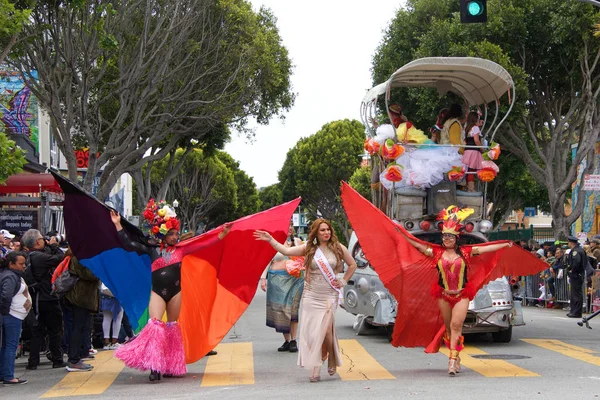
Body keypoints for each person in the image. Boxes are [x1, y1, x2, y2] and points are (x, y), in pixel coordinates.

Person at [339, 183, 549, 377]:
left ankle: (452, 359)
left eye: (450, 237)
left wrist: (504, 246)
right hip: (442, 295)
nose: (446, 239)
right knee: (448, 328)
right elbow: (415, 245)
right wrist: (398, 233)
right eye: (445, 237)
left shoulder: (466, 253)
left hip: (462, 295)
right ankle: (454, 352)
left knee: (457, 325)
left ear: (456, 238)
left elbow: (486, 248)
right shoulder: (436, 253)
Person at [111, 203, 232, 382]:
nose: (175, 237)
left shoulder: (182, 249)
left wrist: (222, 234)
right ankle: (154, 366)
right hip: (158, 293)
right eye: (172, 234)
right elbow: (128, 243)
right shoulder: (151, 249)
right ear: (163, 235)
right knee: (155, 327)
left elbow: (204, 244)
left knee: (172, 329)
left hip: (176, 293)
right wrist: (117, 224)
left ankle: (169, 365)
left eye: (176, 234)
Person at [254, 218, 358, 382]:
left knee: (326, 331)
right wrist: (270, 239)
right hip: (311, 295)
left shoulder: (338, 248)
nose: (326, 233)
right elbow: (286, 251)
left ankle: (330, 358)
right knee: (313, 333)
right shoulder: (309, 249)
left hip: (329, 295)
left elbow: (352, 265)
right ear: (316, 232)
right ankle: (315, 369)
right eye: (322, 230)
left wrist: (344, 280)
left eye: (328, 230)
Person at [20, 229, 66, 370]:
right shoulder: (39, 257)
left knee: (37, 331)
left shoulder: (29, 256)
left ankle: (33, 362)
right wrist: (54, 246)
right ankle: (57, 359)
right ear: (38, 242)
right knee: (54, 330)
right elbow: (60, 258)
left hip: (38, 299)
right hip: (47, 299)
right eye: (42, 239)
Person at [260, 223, 304, 352]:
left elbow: (305, 259)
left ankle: (294, 340)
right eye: (286, 226)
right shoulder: (273, 243)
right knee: (281, 310)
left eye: (291, 225)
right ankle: (287, 340)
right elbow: (266, 262)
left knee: (293, 309)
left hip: (295, 280)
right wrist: (264, 279)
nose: (289, 228)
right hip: (276, 281)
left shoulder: (298, 242)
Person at [63, 254, 100, 372]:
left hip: (82, 298)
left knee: (81, 327)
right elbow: (89, 275)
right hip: (80, 298)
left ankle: (76, 357)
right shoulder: (79, 257)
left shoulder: (79, 256)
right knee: (78, 327)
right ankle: (73, 360)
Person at [0, 251, 30, 384]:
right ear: (11, 264)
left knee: (7, 346)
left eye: (24, 263)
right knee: (11, 346)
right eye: (21, 264)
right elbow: (6, 296)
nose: (23, 266)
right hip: (12, 316)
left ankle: (5, 374)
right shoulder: (10, 276)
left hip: (13, 315)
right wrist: (6, 311)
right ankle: (8, 376)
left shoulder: (12, 275)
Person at [461, 112, 484, 192]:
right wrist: (482, 148)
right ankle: (471, 188)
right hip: (474, 150)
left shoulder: (466, 128)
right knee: (472, 170)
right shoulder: (475, 128)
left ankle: (467, 186)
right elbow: (476, 140)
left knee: (468, 169)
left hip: (467, 150)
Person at [100, 283, 123, 351]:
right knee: (118, 319)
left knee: (106, 318)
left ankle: (106, 342)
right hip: (118, 297)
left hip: (105, 296)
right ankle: (114, 341)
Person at [566, 236, 585, 318]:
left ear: (571, 242)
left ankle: (576, 312)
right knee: (574, 293)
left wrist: (572, 270)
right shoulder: (580, 250)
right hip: (578, 274)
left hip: (576, 274)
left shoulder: (576, 251)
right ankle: (573, 311)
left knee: (576, 294)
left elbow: (576, 262)